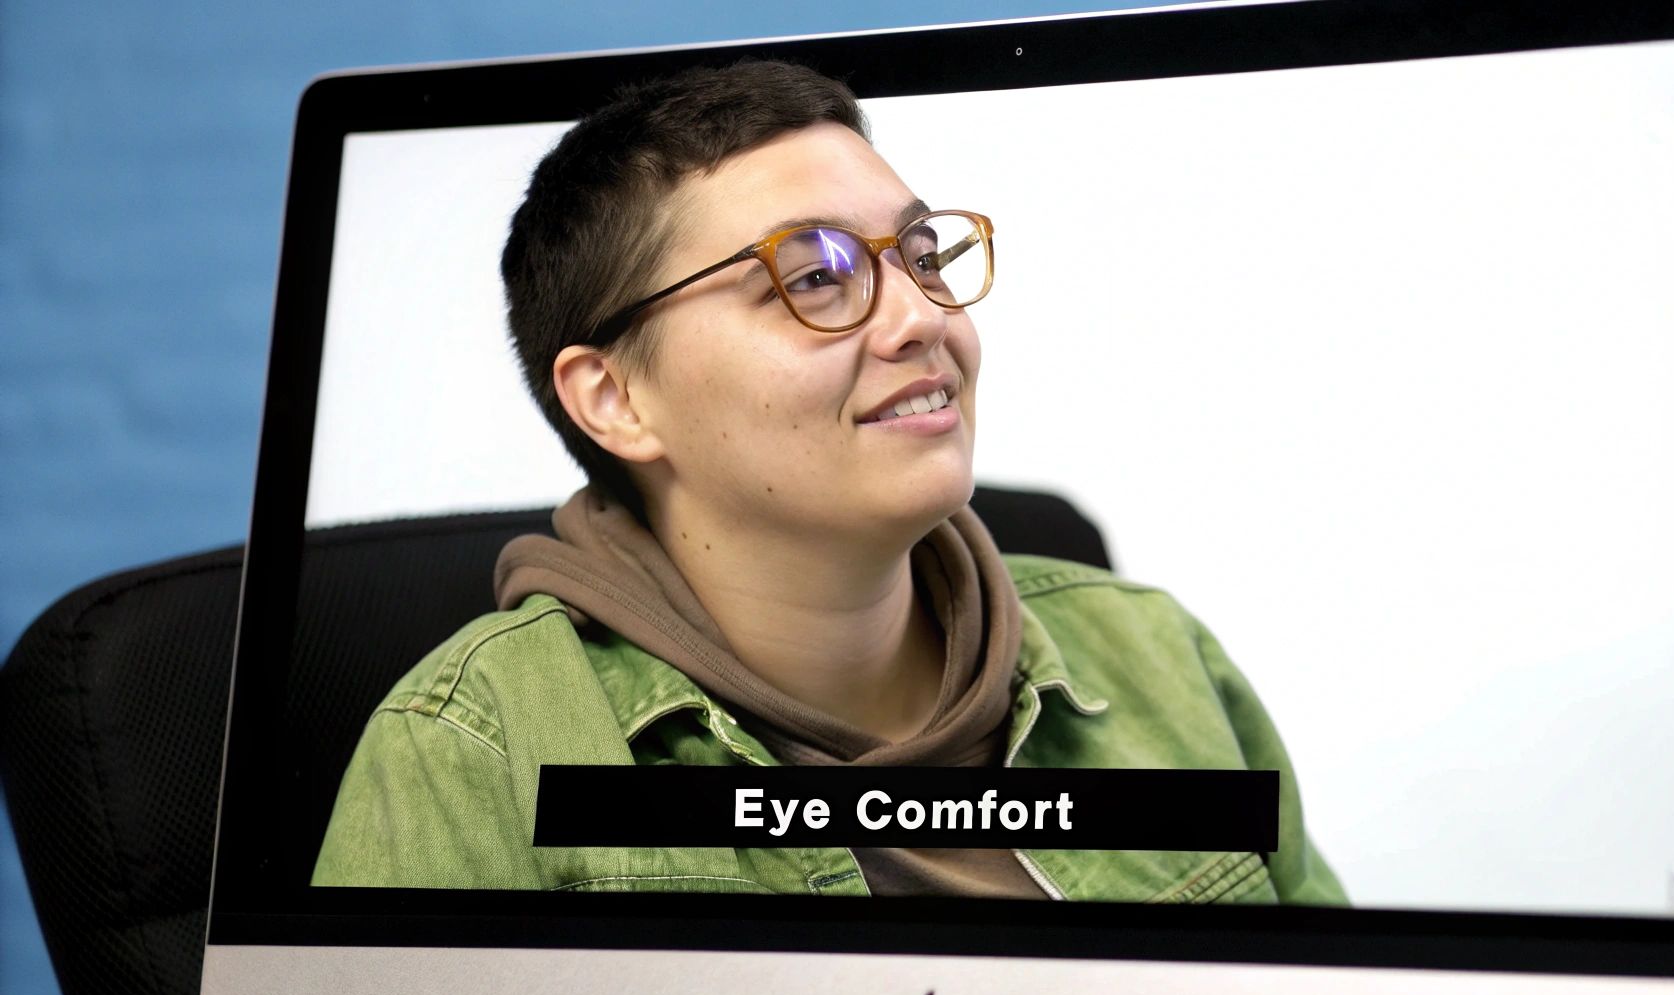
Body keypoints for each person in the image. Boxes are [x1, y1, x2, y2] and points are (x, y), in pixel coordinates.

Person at [313, 59, 1345, 903]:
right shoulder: (473, 752)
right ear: (615, 399)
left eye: (922, 255)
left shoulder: (1160, 654)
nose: (921, 319)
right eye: (814, 276)